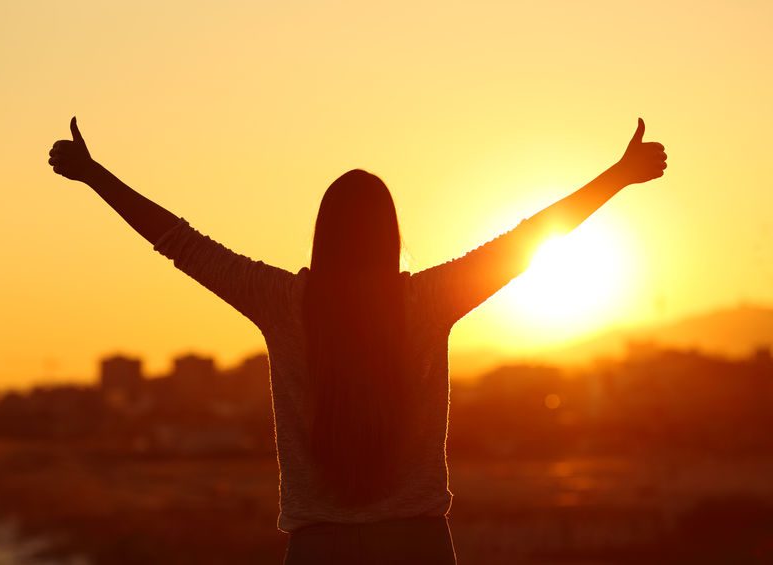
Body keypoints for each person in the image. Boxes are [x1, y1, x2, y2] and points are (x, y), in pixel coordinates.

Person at [48, 117, 666, 564]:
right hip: (419, 546)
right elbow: (528, 241)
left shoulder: (283, 303)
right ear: (390, 237)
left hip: (319, 548)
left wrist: (93, 174)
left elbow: (179, 241)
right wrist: (619, 175)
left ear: (323, 235)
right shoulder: (425, 303)